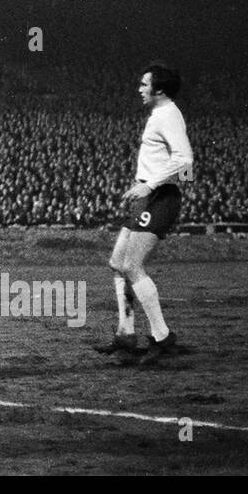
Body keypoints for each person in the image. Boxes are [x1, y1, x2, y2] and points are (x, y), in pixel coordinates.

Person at [94, 62, 193, 367]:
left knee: (133, 265)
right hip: (148, 197)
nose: (139, 89)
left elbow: (185, 159)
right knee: (117, 263)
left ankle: (162, 338)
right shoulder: (160, 115)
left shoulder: (168, 115)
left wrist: (149, 185)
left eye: (143, 84)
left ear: (158, 89)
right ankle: (125, 334)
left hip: (159, 198)